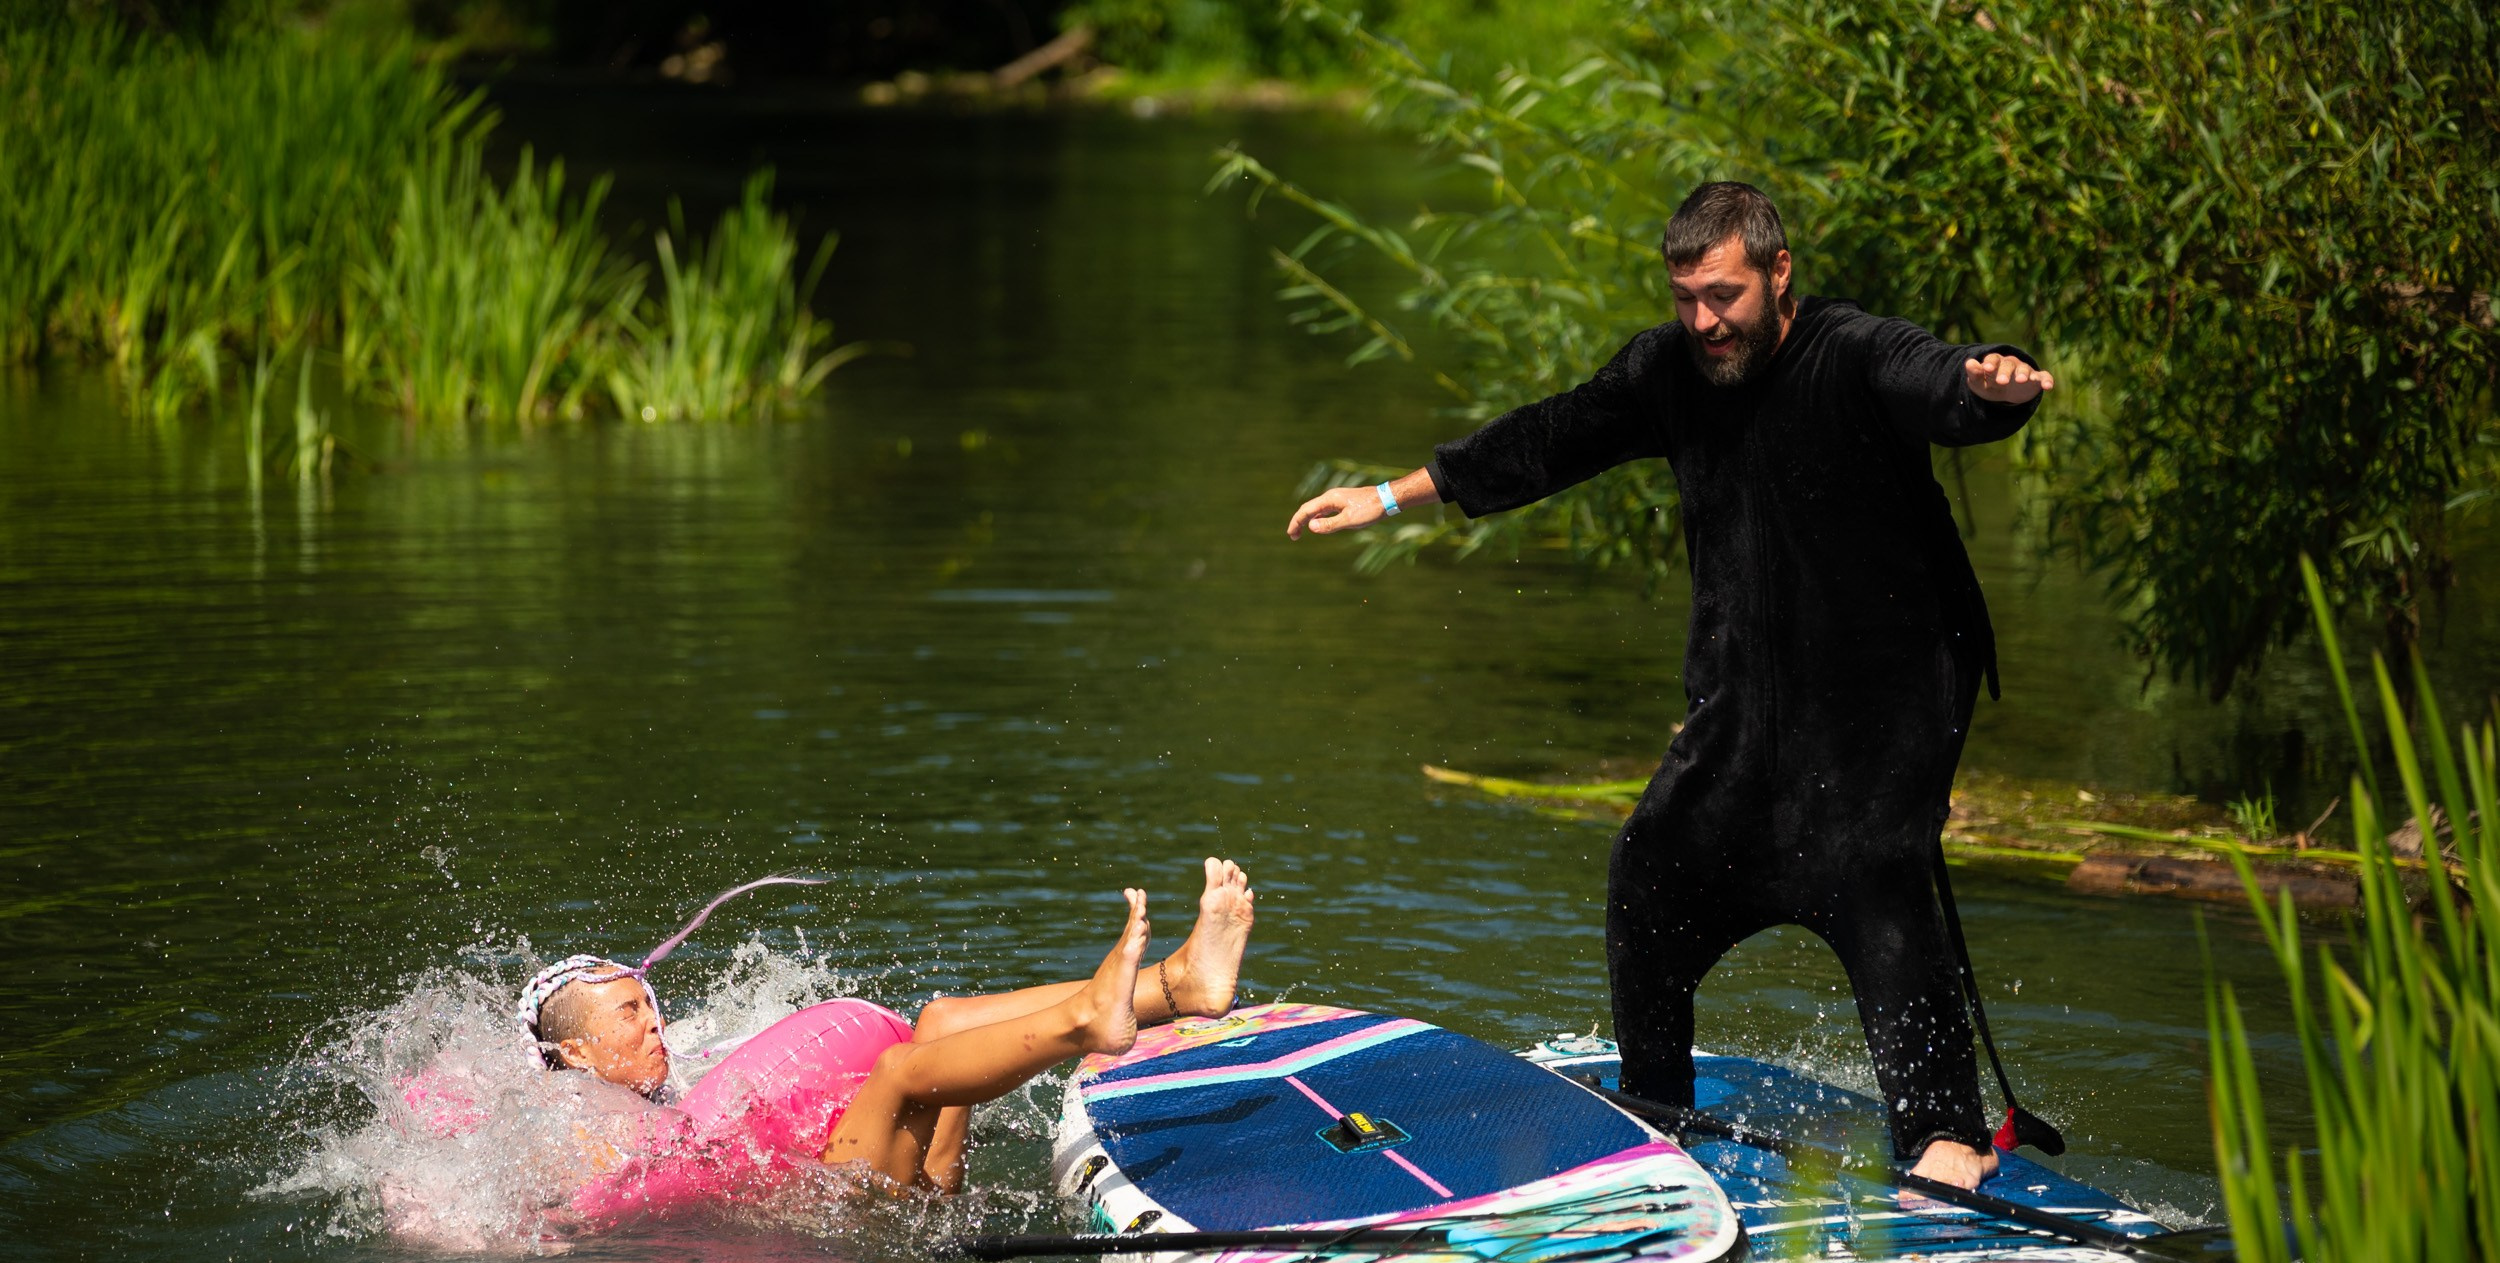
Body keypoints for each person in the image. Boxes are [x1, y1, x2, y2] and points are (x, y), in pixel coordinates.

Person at [1287, 182, 2054, 1188]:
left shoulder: (1848, 351)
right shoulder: (1672, 372)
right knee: (1651, 869)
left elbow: (1936, 382)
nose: (1704, 322)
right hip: (1745, 699)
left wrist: (1985, 388)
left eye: (1724, 296)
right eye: (1686, 296)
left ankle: (1942, 1137)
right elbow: (1553, 434)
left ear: (1780, 273)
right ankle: (1657, 1110)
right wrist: (1391, 494)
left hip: (1888, 698)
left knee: (1874, 864)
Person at [520, 858, 1257, 1192]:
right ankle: (1086, 1022)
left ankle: (1178, 982)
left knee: (940, 1020)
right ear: (577, 1050)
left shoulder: (672, 1084)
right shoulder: (569, 1115)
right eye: (630, 1013)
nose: (657, 1023)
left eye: (650, 1004)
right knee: (899, 1071)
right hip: (839, 1223)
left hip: (876, 1187)